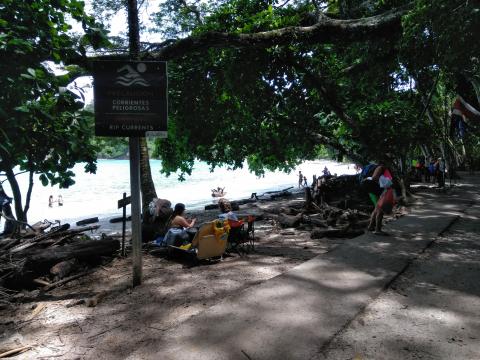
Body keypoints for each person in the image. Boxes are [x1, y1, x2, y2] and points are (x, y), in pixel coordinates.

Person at [364, 164, 394, 235]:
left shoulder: (383, 168)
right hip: (375, 190)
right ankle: (378, 230)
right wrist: (383, 184)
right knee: (380, 209)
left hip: (374, 190)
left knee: (376, 208)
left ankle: (371, 226)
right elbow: (374, 178)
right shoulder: (381, 167)